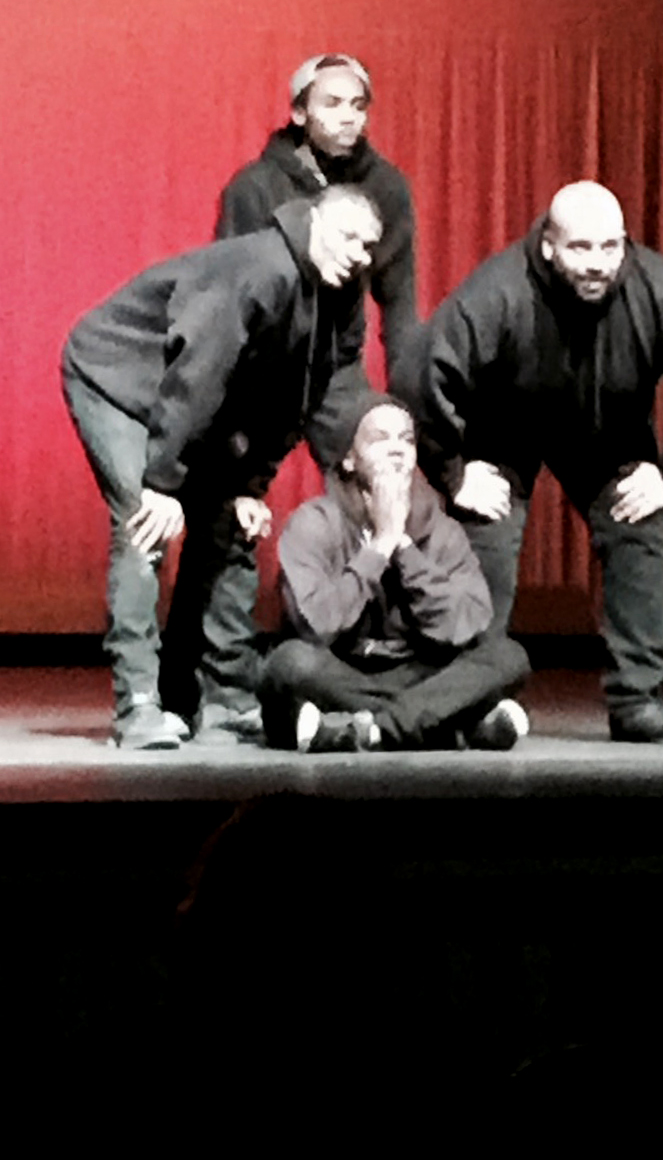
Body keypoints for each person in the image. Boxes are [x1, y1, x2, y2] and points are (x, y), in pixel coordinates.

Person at [416, 181, 663, 743]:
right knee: (484, 534)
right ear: (548, 246)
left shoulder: (658, 292)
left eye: (610, 247)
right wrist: (452, 473)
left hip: (607, 430)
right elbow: (423, 375)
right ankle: (472, 698)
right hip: (505, 426)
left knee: (639, 523)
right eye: (581, 247)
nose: (598, 263)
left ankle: (637, 700)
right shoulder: (500, 291)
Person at [62, 188, 382, 749]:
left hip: (193, 403)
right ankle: (138, 707)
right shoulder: (260, 270)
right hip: (117, 379)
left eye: (368, 245)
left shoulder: (342, 294)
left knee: (232, 527)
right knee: (145, 526)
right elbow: (198, 370)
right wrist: (161, 482)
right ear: (313, 222)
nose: (357, 254)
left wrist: (249, 485)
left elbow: (301, 397)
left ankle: (223, 699)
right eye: (347, 236)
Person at [260, 396, 532, 752]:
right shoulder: (314, 523)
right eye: (380, 439)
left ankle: (375, 730)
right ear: (349, 459)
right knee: (289, 663)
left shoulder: (441, 529)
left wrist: (403, 548)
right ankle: (445, 725)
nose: (397, 449)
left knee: (507, 656)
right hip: (343, 673)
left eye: (406, 440)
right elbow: (317, 626)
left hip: (419, 674)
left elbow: (464, 625)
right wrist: (379, 547)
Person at [217, 54, 422, 437]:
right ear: (299, 113)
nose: (349, 117)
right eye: (333, 103)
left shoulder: (386, 188)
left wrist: (411, 395)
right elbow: (227, 297)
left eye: (358, 106)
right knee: (228, 456)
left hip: (334, 366)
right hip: (261, 361)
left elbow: (400, 301)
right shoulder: (254, 187)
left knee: (381, 440)